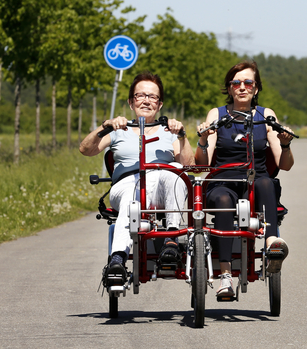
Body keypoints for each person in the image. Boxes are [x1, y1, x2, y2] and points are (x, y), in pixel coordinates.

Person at [80, 71, 194, 285]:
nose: (146, 101)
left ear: (159, 104)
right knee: (132, 194)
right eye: (141, 96)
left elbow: (190, 166)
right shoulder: (118, 130)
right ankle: (118, 259)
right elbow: (85, 150)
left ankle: (171, 240)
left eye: (152, 97)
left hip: (162, 187)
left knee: (177, 170)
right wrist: (106, 126)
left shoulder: (168, 131)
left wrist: (182, 135)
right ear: (131, 102)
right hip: (127, 186)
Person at [196, 60, 295, 297]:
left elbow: (285, 165)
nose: (242, 87)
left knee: (265, 181)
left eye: (248, 82)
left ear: (256, 88)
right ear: (230, 88)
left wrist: (285, 143)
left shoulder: (266, 115)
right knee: (221, 199)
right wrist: (202, 140)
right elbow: (203, 164)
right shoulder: (217, 114)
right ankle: (226, 277)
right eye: (236, 82)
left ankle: (272, 243)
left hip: (256, 178)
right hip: (223, 179)